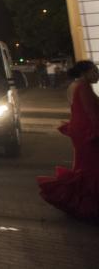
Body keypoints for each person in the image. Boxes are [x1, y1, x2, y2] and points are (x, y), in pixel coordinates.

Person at [38, 60, 99, 220]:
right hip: (88, 130)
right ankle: (87, 204)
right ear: (85, 73)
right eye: (94, 71)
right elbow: (91, 112)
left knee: (84, 165)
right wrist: (96, 131)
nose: (97, 74)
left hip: (78, 129)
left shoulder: (73, 85)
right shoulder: (84, 86)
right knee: (91, 167)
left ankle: (81, 201)